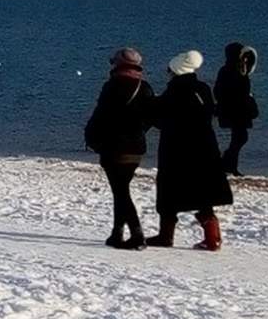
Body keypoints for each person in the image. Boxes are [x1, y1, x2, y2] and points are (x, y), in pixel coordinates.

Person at [151, 50, 231, 251]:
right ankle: (213, 237)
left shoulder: (174, 91)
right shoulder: (203, 89)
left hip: (176, 148)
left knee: (169, 191)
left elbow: (160, 118)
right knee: (203, 192)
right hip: (205, 146)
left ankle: (165, 236)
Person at [84, 47, 156, 249]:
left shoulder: (112, 86)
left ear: (118, 65)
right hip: (136, 147)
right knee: (121, 190)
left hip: (113, 146)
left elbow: (101, 115)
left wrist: (92, 136)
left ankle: (136, 233)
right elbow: (151, 118)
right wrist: (137, 131)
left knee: (121, 191)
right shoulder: (145, 87)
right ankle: (117, 233)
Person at [214, 42, 258, 176]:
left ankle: (228, 164)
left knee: (238, 137)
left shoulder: (229, 69)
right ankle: (227, 164)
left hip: (233, 109)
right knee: (240, 137)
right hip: (236, 110)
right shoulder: (236, 70)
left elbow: (217, 90)